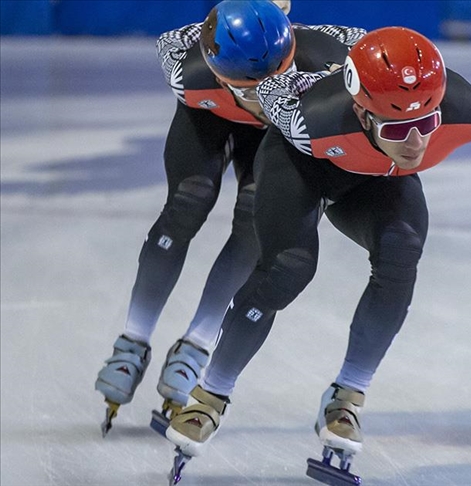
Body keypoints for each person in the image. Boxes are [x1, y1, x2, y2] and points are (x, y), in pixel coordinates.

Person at [165, 26, 471, 472]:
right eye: (399, 127)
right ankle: (210, 396)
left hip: (375, 179)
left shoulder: (470, 112)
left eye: (426, 124)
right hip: (302, 168)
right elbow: (267, 83)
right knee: (288, 268)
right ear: (361, 112)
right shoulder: (305, 117)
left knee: (402, 252)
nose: (416, 142)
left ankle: (348, 397)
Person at [94, 0, 365, 436]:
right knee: (187, 202)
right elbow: (172, 42)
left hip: (273, 134)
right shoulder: (190, 66)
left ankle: (196, 344)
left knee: (256, 222)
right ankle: (132, 341)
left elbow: (371, 51)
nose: (259, 93)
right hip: (209, 115)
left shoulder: (321, 48)